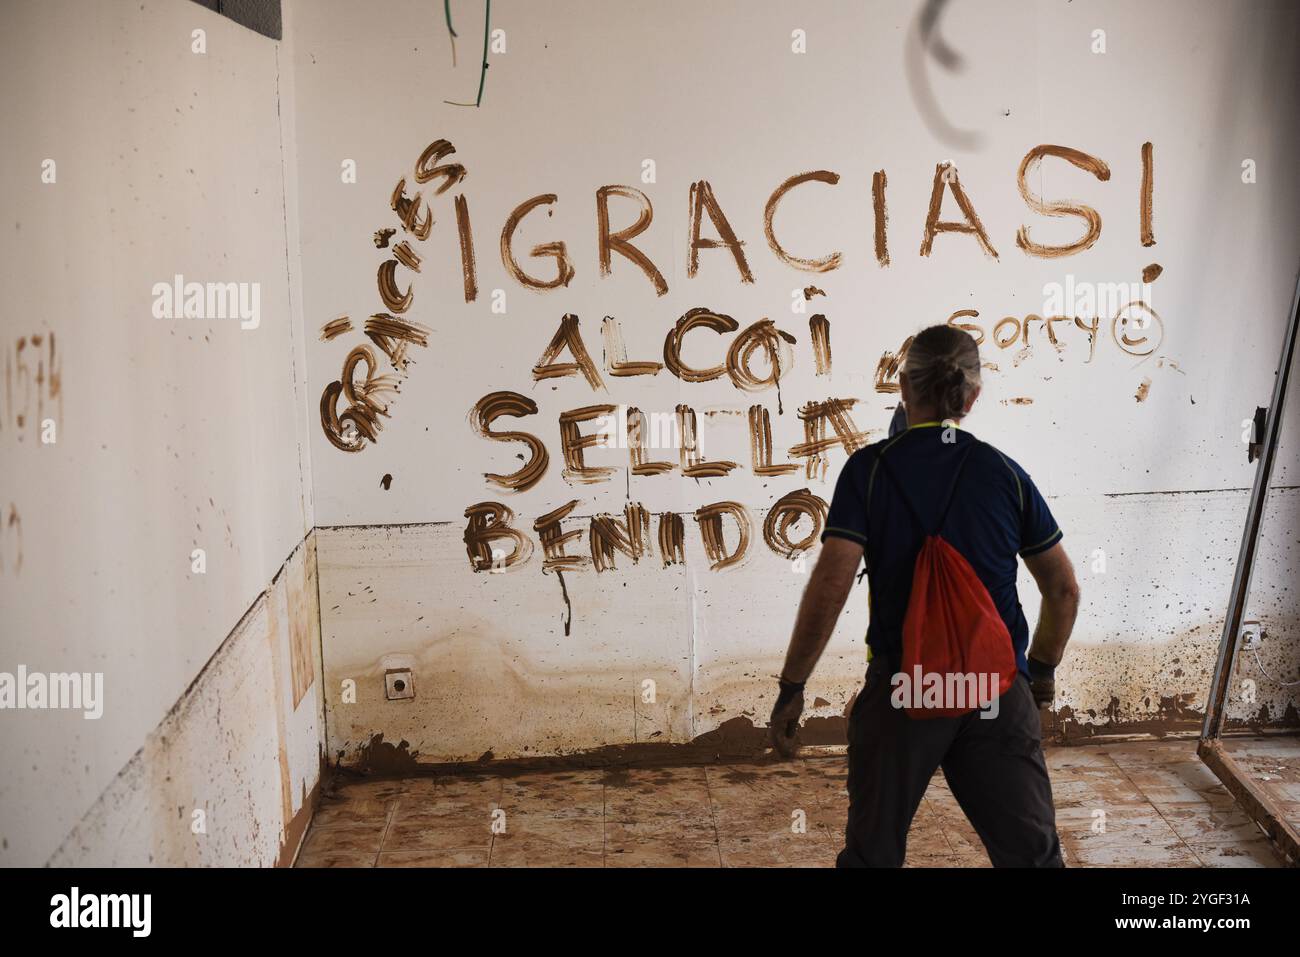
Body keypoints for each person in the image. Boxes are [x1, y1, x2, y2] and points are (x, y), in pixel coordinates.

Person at [769, 323, 1080, 867]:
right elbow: (1063, 589)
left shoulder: (868, 473)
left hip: (904, 691)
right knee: (1032, 858)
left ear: (903, 389)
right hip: (995, 689)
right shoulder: (1004, 474)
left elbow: (830, 585)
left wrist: (793, 685)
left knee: (874, 856)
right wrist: (1040, 673)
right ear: (972, 397)